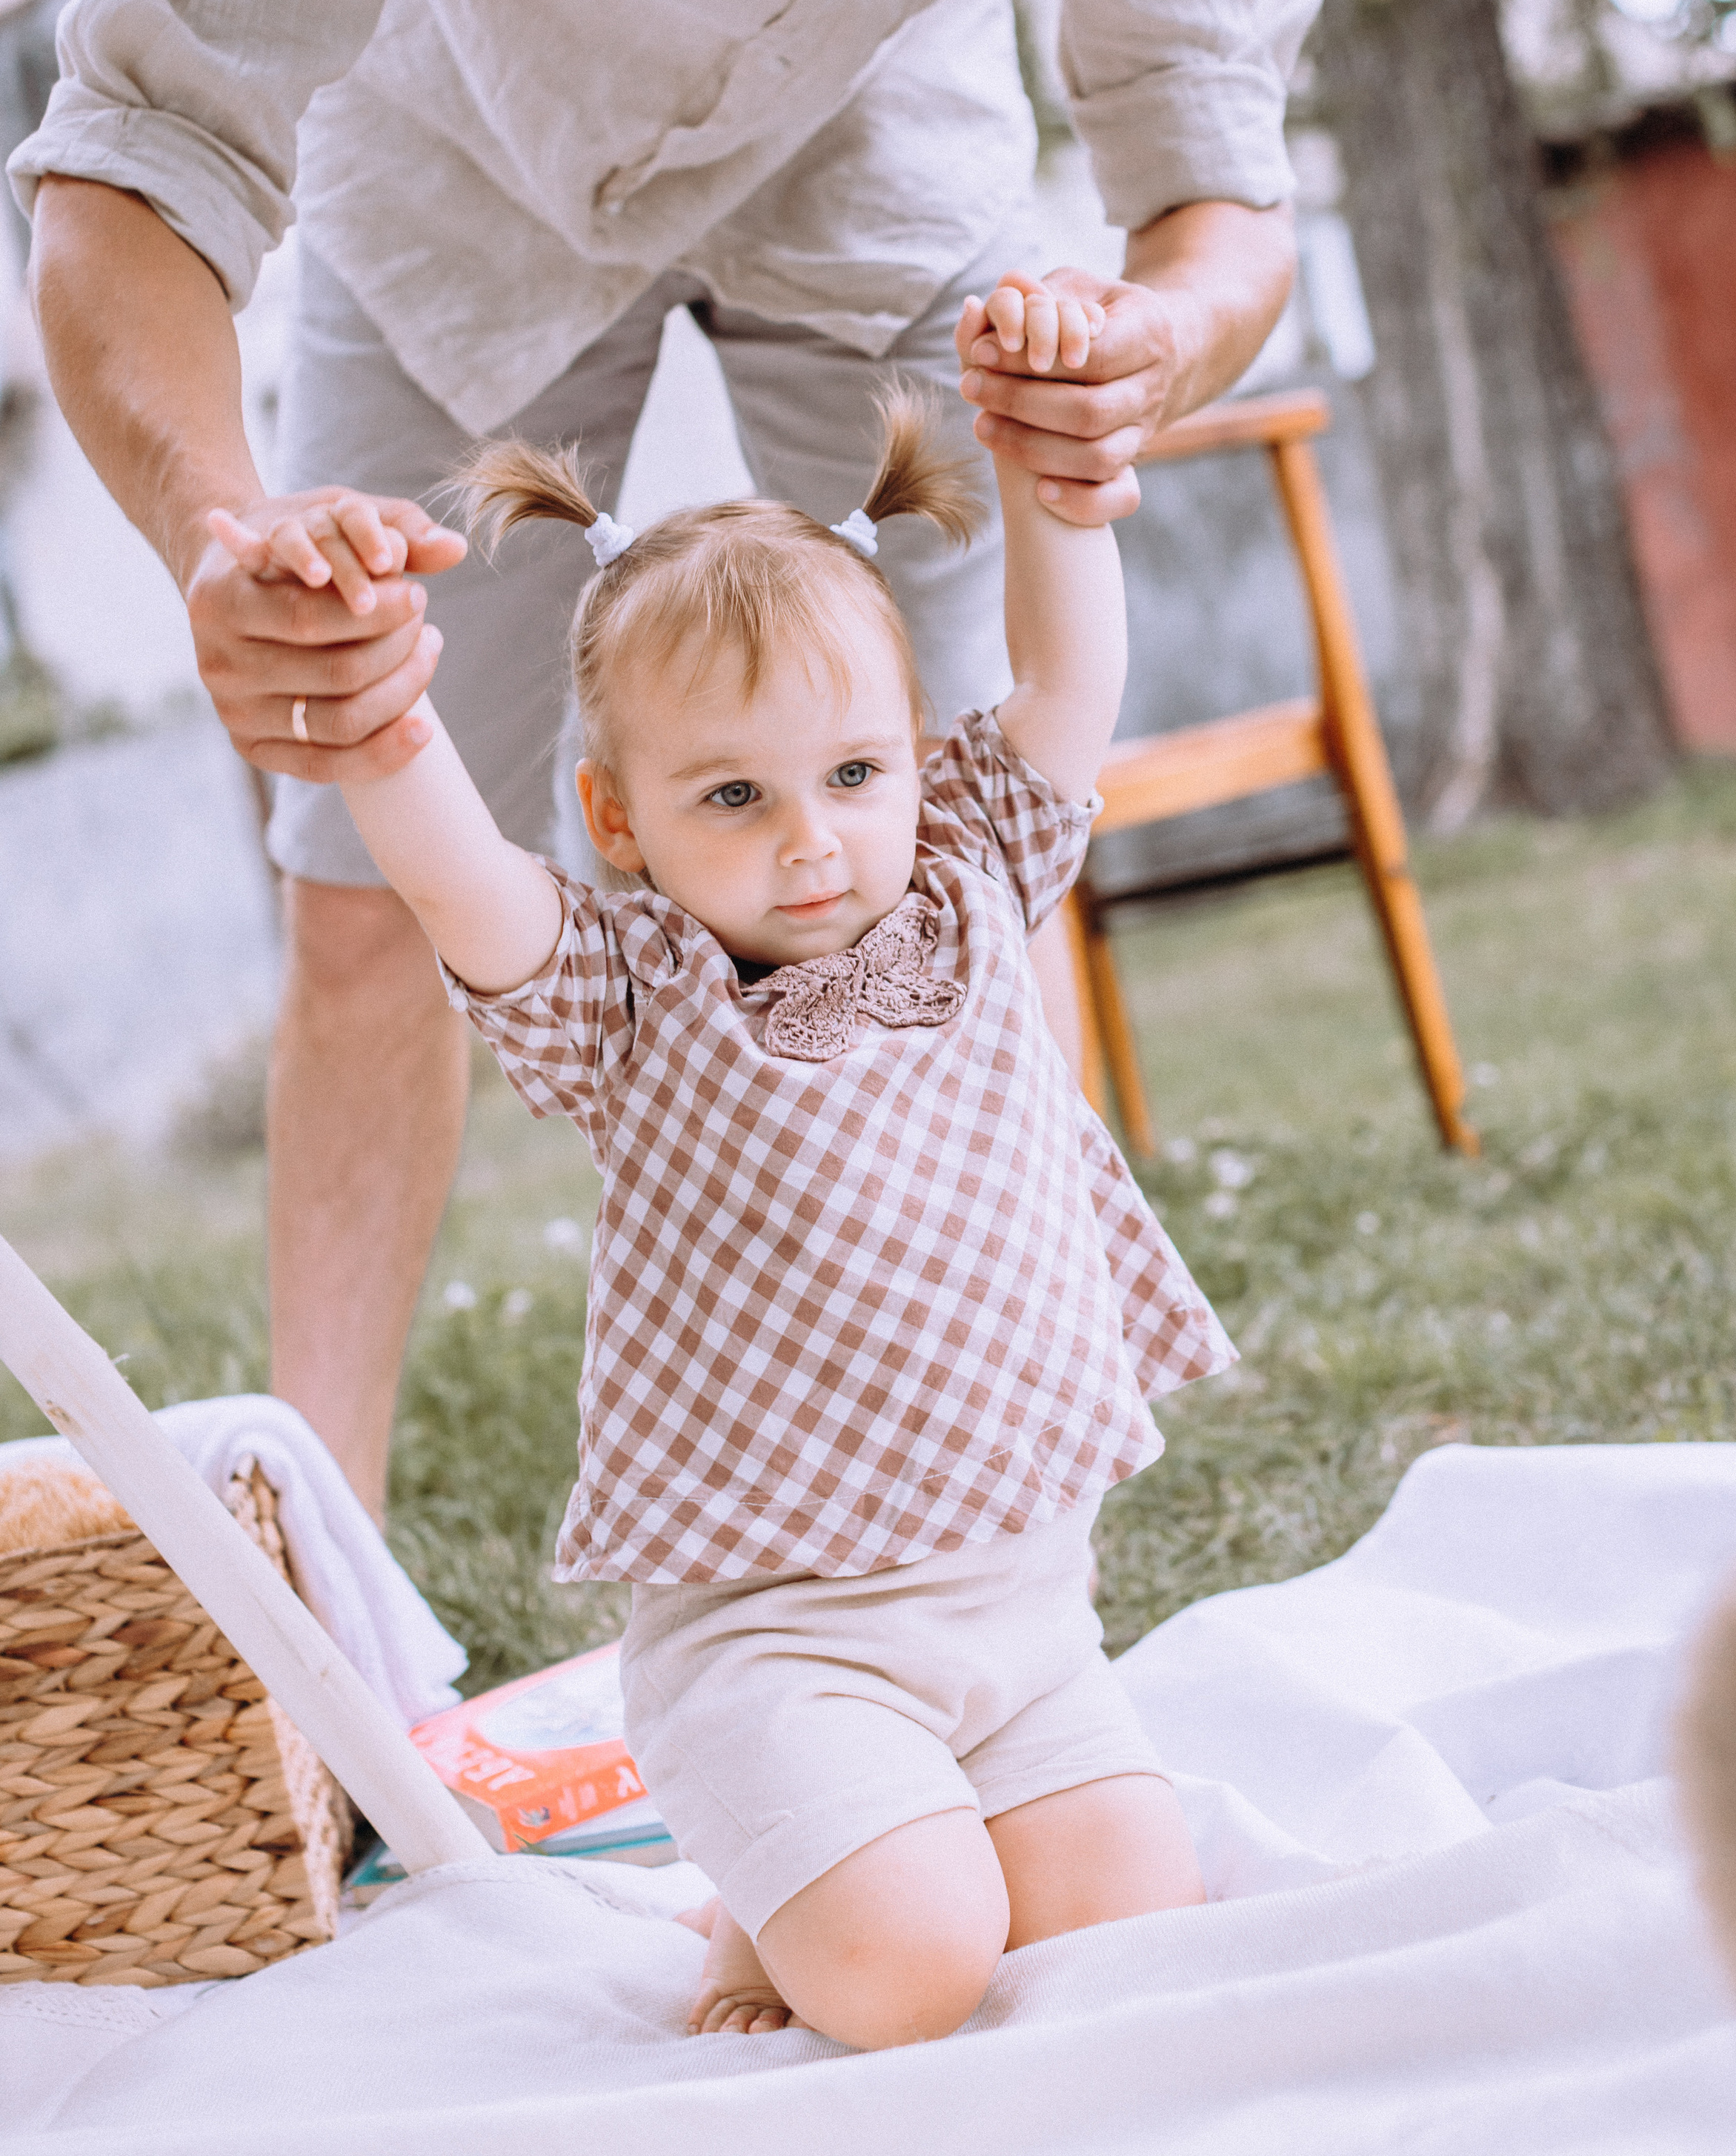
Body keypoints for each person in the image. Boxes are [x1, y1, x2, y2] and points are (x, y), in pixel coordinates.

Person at [10, 0, 1321, 1512]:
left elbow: (1221, 198)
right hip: (464, 171)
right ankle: (325, 1565)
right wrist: (220, 527)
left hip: (881, 177)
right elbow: (139, 148)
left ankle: (1020, 1487)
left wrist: (1146, 342)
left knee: (969, 847)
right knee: (359, 875)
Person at [205, 273, 1235, 2047]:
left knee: (1132, 1926)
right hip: (783, 1647)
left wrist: (1048, 478)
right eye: (733, 798)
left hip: (1018, 1620)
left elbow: (1071, 675)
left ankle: (848, 1854)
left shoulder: (972, 871)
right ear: (619, 820)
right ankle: (759, 1896)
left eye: (852, 773)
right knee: (912, 1973)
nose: (813, 842)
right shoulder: (631, 997)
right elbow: (457, 882)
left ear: (913, 756)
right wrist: (380, 720)